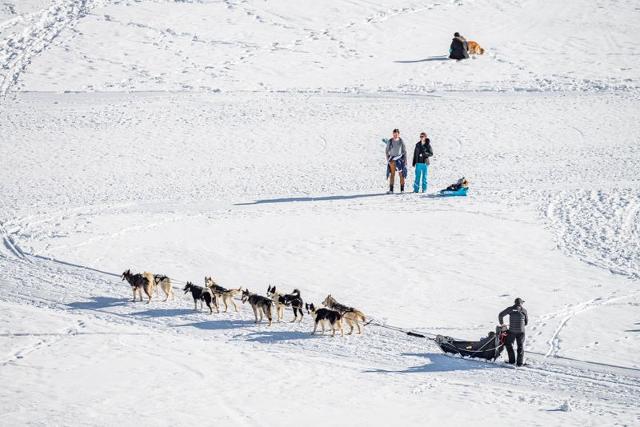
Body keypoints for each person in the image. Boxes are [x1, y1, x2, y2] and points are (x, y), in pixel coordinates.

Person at [498, 297, 528, 366]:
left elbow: (500, 315)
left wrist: (502, 324)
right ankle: (519, 363)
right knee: (520, 346)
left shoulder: (510, 309)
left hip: (512, 331)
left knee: (508, 344)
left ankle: (512, 361)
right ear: (521, 303)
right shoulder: (524, 310)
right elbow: (526, 323)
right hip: (521, 332)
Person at [385, 128, 407, 193]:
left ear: (398, 134)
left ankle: (402, 189)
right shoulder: (390, 141)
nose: (395, 136)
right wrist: (388, 159)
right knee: (392, 175)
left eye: (396, 134)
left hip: (400, 160)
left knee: (401, 174)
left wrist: (405, 160)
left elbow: (404, 151)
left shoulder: (401, 141)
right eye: (394, 134)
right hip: (392, 160)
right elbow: (386, 150)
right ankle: (391, 190)